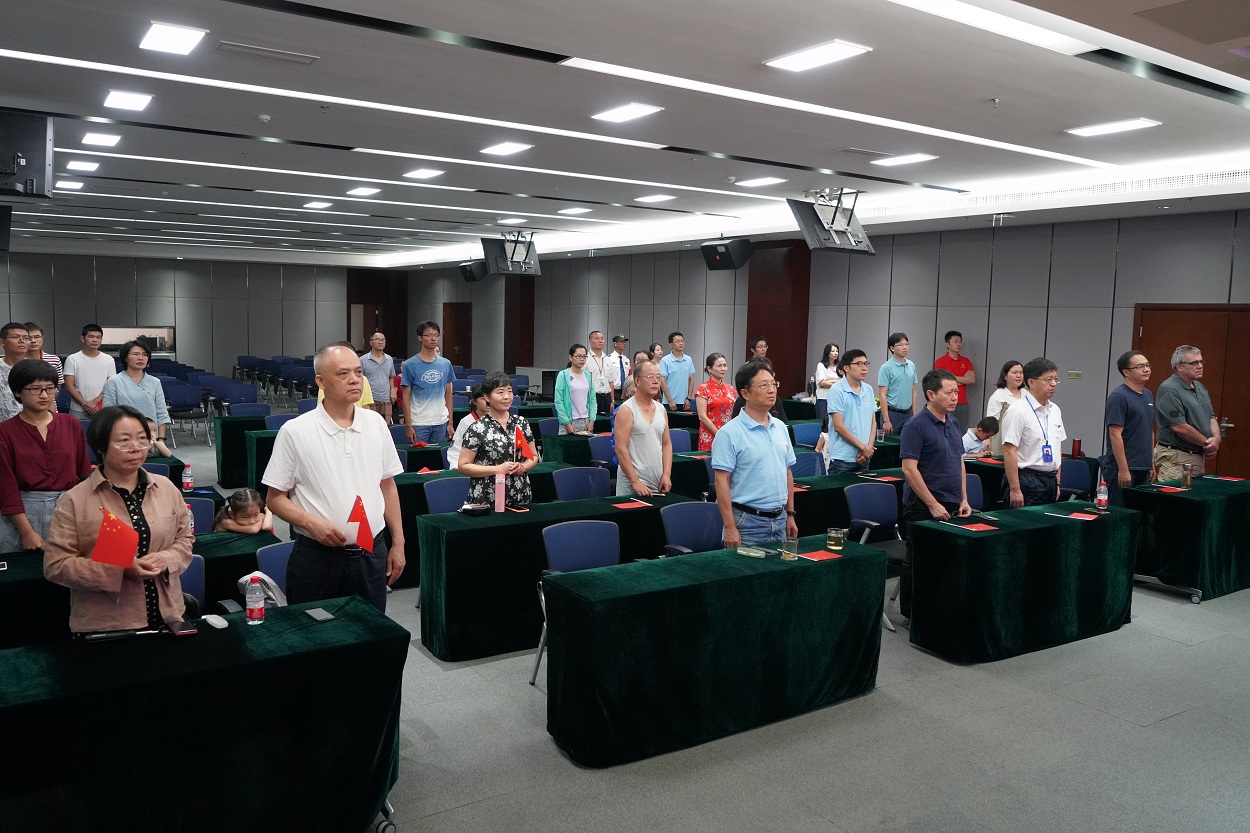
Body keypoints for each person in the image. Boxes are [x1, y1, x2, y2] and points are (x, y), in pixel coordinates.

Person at [263, 344, 406, 613]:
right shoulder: (296, 431)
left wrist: (398, 542)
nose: (354, 380)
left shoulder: (376, 423)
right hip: (318, 557)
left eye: (358, 372)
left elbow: (387, 485)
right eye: (343, 374)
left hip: (370, 552)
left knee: (371, 631)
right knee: (316, 633)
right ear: (321, 381)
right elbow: (274, 499)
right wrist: (310, 522)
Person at [43, 405, 194, 633]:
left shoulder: (165, 488)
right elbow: (56, 565)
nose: (135, 448)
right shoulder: (75, 500)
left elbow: (185, 540)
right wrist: (119, 569)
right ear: (100, 446)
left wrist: (164, 559)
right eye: (124, 441)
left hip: (169, 616)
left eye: (142, 439)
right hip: (108, 624)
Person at [898, 369, 972, 620]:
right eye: (949, 392)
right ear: (931, 394)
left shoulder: (953, 422)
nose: (955, 397)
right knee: (919, 561)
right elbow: (909, 469)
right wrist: (932, 504)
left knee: (946, 561)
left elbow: (959, 461)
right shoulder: (915, 425)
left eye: (956, 392)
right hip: (922, 505)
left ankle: (938, 610)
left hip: (952, 502)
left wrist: (963, 498)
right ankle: (911, 614)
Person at [0, 360, 92, 552]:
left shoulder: (71, 424)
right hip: (23, 513)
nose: (44, 395)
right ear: (18, 391)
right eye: (35, 389)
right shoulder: (5, 431)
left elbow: (84, 473)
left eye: (50, 388)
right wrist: (26, 532)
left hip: (68, 508)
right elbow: (6, 486)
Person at [711, 361, 798, 548]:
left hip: (780, 519)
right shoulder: (729, 433)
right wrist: (729, 526)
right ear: (745, 393)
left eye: (773, 384)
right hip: (747, 522)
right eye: (763, 385)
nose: (771, 390)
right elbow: (721, 481)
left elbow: (787, 472)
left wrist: (790, 514)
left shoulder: (780, 427)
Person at [457, 371, 538, 507]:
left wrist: (523, 467)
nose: (506, 397)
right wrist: (497, 469)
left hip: (519, 493)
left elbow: (533, 456)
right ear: (486, 396)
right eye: (500, 392)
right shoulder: (477, 428)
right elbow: (463, 466)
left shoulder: (521, 423)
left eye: (509, 391)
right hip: (486, 495)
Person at [1001, 357, 1066, 507]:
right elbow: (1009, 450)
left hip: (1050, 480)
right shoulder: (1018, 410)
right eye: (1048, 379)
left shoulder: (1055, 410)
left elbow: (1058, 447)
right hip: (1026, 480)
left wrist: (1057, 482)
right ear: (1031, 382)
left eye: (1055, 379)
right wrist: (1015, 489)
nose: (1053, 384)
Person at [1154, 344, 1220, 480]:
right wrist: (1208, 444)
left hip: (1197, 457)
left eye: (1201, 362)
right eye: (1194, 363)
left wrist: (1216, 439)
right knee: (1178, 493)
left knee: (1193, 493)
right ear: (1179, 367)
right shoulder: (1169, 389)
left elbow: (1211, 417)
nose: (1200, 366)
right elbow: (1180, 427)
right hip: (1177, 459)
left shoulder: (1199, 387)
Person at [1102, 351, 1156, 505]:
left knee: (1141, 513)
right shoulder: (1119, 397)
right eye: (1140, 367)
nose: (1146, 369)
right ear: (1126, 372)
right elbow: (1115, 435)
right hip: (1122, 468)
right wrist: (1124, 469)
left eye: (1147, 365)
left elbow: (1149, 431)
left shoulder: (1147, 395)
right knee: (1120, 513)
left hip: (1143, 467)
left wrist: (1150, 463)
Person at [101, 340, 172, 457]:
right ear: (125, 357)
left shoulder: (155, 382)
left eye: (145, 355)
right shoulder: (114, 382)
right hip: (124, 439)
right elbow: (108, 416)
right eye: (136, 354)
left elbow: (161, 413)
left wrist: (161, 440)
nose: (141, 358)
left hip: (150, 440)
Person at [614, 360, 672, 496]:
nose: (656, 381)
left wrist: (666, 474)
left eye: (658, 377)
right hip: (632, 484)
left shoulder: (661, 409)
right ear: (637, 381)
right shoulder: (627, 410)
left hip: (657, 481)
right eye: (650, 377)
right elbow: (620, 448)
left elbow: (666, 443)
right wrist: (635, 481)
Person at [402, 320, 456, 444]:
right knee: (420, 455)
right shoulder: (410, 364)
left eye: (436, 335)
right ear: (420, 338)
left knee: (438, 455)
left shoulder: (445, 363)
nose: (433, 338)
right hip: (419, 422)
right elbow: (406, 396)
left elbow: (448, 394)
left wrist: (450, 423)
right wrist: (408, 425)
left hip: (441, 421)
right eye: (429, 335)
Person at [825, 349, 878, 474]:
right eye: (859, 364)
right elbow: (839, 426)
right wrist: (863, 447)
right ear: (846, 368)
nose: (864, 368)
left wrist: (868, 448)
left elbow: (873, 422)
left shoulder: (868, 390)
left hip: (864, 457)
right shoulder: (837, 390)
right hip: (842, 459)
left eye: (866, 364)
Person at [63, 324, 115, 419]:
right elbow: (69, 386)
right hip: (78, 408)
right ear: (82, 338)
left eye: (98, 337)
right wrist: (85, 404)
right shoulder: (72, 359)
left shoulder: (109, 360)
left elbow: (110, 385)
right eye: (91, 337)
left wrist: (95, 402)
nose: (95, 340)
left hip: (101, 408)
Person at [878, 332, 919, 436]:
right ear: (892, 348)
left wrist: (914, 415)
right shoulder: (886, 368)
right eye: (900, 345)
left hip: (908, 414)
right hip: (892, 414)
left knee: (908, 443)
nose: (905, 347)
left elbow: (913, 391)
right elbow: (882, 394)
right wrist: (886, 420)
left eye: (906, 344)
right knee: (891, 444)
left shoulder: (911, 365)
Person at [934, 330, 976, 429]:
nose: (958, 344)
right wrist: (962, 379)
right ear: (947, 344)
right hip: (945, 402)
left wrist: (950, 377)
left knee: (960, 431)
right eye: (955, 342)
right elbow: (941, 383)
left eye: (960, 342)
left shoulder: (966, 361)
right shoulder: (940, 362)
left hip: (962, 403)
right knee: (944, 430)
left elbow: (972, 379)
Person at [694, 352, 735, 451]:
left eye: (725, 365)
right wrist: (719, 434)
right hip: (710, 434)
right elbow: (702, 416)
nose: (723, 368)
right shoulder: (703, 389)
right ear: (709, 369)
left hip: (729, 434)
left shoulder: (730, 388)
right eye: (719, 366)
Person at [555, 343, 597, 434]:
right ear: (570, 357)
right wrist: (566, 423)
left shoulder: (588, 375)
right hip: (569, 421)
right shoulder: (563, 375)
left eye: (584, 356)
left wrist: (592, 420)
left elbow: (592, 399)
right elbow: (558, 401)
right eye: (578, 356)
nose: (582, 359)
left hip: (586, 420)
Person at [985, 360, 1024, 456]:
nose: (1019, 376)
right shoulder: (999, 395)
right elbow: (991, 420)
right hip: (1003, 437)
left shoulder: (1026, 394)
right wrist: (987, 439)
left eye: (1021, 372)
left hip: (1022, 437)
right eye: (1014, 372)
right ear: (1005, 376)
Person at [447, 385, 488, 470]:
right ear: (474, 401)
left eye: (489, 398)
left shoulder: (500, 419)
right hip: (471, 468)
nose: (487, 402)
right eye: (483, 399)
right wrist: (456, 467)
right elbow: (456, 449)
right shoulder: (466, 422)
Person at [361, 330, 396, 423]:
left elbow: (391, 377)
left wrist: (393, 390)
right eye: (377, 339)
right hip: (370, 399)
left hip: (386, 398)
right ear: (371, 343)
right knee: (370, 424)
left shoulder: (389, 359)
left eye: (383, 340)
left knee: (385, 425)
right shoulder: (363, 360)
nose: (380, 342)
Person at [0, 323, 30, 423]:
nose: (22, 341)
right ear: (2, 342)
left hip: (31, 425)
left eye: (26, 338)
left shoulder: (36, 368)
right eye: (15, 337)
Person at [658, 331, 695, 411]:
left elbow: (691, 379)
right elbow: (662, 381)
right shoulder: (665, 360)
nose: (681, 343)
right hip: (669, 402)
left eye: (682, 341)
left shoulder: (688, 359)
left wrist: (689, 398)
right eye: (677, 341)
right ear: (671, 344)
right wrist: (670, 400)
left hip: (685, 402)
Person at [587, 330, 616, 415]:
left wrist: (612, 400)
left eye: (602, 339)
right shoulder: (586, 359)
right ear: (590, 341)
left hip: (606, 397)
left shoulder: (607, 359)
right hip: (592, 396)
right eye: (597, 338)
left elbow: (610, 382)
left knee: (606, 420)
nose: (600, 341)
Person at [813, 343, 840, 423]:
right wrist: (837, 382)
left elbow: (844, 381)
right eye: (833, 351)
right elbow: (822, 383)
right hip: (823, 399)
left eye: (837, 351)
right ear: (827, 353)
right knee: (823, 423)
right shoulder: (821, 365)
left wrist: (828, 381)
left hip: (836, 399)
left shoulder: (839, 366)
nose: (835, 353)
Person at [608, 334, 631, 403]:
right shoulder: (609, 359)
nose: (624, 343)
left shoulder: (626, 360)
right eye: (621, 342)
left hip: (625, 391)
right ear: (615, 344)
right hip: (614, 390)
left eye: (624, 342)